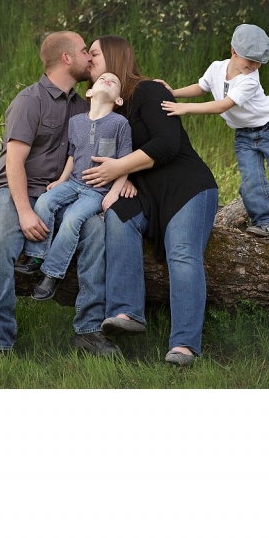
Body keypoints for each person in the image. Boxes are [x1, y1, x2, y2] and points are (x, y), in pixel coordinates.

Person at [81, 35, 219, 367]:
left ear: (115, 58)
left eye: (95, 54)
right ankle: (127, 311)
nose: (89, 61)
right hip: (143, 193)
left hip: (186, 188)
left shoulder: (148, 91)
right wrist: (120, 179)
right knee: (118, 217)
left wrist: (119, 168)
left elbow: (167, 143)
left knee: (182, 252)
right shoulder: (107, 109)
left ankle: (184, 344)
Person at [0, 31, 119, 356]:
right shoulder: (30, 101)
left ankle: (88, 329)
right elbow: (14, 162)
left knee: (96, 231)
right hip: (16, 190)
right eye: (85, 51)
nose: (89, 57)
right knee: (2, 243)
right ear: (67, 58)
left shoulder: (83, 105)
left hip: (64, 191)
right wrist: (26, 212)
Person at [159, 23, 269, 241]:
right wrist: (173, 93)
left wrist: (186, 108)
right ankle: (265, 223)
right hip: (244, 135)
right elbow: (201, 86)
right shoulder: (216, 68)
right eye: (250, 60)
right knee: (251, 180)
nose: (254, 66)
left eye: (259, 63)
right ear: (234, 52)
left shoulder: (249, 80)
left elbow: (222, 106)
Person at [15, 72, 133, 301]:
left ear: (118, 100)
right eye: (102, 79)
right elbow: (72, 154)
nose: (107, 80)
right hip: (72, 182)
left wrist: (114, 193)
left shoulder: (120, 124)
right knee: (45, 202)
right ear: (89, 92)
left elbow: (125, 163)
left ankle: (51, 274)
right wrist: (60, 180)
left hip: (96, 191)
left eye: (114, 82)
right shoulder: (76, 121)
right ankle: (36, 256)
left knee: (72, 219)